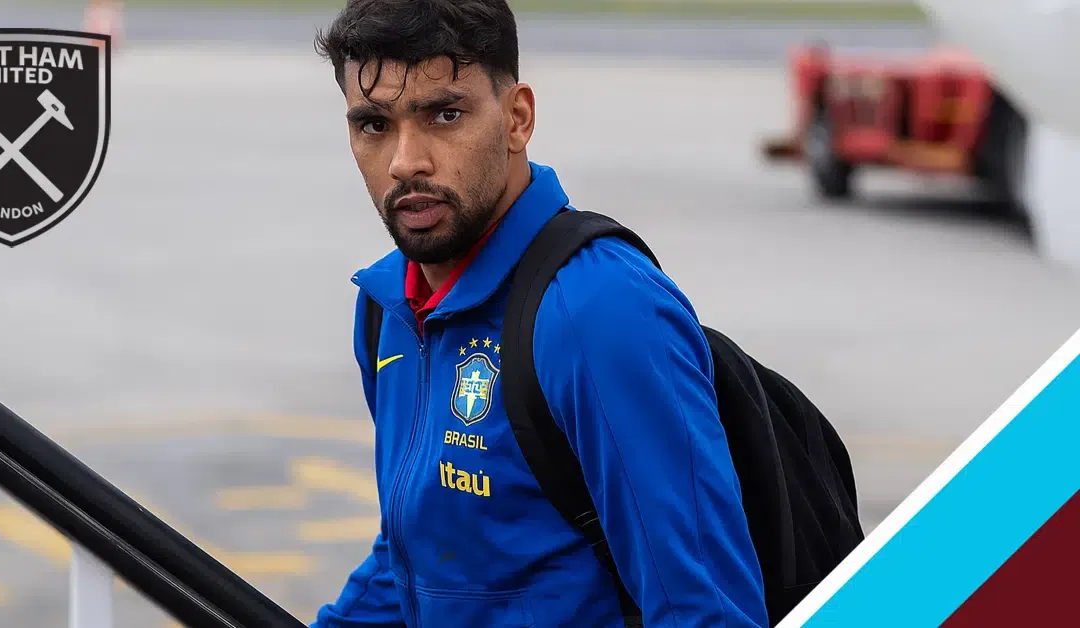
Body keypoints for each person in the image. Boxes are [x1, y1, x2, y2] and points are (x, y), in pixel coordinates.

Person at [310, 1, 768, 626]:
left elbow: (702, 610)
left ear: (517, 119)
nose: (405, 161)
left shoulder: (598, 309)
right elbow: (414, 555)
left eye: (445, 115)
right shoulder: (388, 307)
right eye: (373, 125)